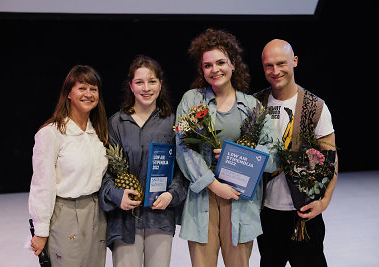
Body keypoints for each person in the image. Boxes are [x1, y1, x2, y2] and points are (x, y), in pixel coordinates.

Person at [175, 28, 280, 267]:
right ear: (202, 70)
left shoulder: (252, 106)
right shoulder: (192, 100)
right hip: (203, 198)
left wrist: (243, 157)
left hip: (241, 200)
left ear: (233, 64)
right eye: (208, 65)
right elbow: (183, 148)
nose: (215, 70)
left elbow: (274, 154)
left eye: (221, 62)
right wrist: (213, 184)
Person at [255, 39, 338, 267]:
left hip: (304, 213)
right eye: (268, 66)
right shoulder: (254, 104)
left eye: (281, 63)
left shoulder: (315, 106)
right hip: (267, 213)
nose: (275, 71)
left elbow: (331, 159)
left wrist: (324, 202)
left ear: (295, 61)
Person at [99, 55, 188, 267]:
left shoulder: (173, 123)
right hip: (124, 218)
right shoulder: (116, 123)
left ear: (161, 84)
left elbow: (183, 170)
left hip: (160, 215)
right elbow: (104, 171)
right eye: (139, 82)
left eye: (152, 81)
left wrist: (171, 194)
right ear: (130, 86)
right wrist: (117, 195)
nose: (146, 88)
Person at [28, 65, 109, 267]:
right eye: (82, 88)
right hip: (65, 214)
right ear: (69, 94)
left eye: (94, 89)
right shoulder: (52, 133)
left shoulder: (97, 132)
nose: (88, 94)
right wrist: (41, 231)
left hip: (96, 213)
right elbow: (42, 185)